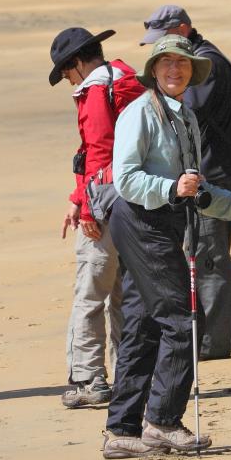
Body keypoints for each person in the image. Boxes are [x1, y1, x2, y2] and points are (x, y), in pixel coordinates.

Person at [101, 34, 231, 459]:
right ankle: (161, 422)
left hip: (163, 222)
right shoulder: (139, 113)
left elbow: (199, 189)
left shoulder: (186, 117)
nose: (175, 71)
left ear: (192, 72)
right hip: (140, 221)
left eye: (183, 65)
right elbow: (126, 180)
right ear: (154, 71)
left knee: (142, 324)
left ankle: (122, 431)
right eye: (167, 64)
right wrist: (172, 187)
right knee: (184, 320)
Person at [139, 5, 231, 360]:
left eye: (169, 40)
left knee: (207, 257)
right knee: (211, 254)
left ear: (184, 29)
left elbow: (189, 112)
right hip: (209, 173)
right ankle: (230, 333)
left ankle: (213, 344)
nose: (172, 63)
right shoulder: (201, 57)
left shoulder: (206, 64)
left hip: (214, 173)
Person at [48, 27, 147, 408]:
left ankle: (89, 379)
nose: (67, 80)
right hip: (138, 204)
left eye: (66, 72)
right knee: (124, 294)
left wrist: (87, 208)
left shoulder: (95, 91)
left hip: (106, 205)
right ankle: (127, 373)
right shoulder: (127, 79)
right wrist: (77, 197)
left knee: (90, 294)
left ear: (76, 62)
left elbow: (98, 152)